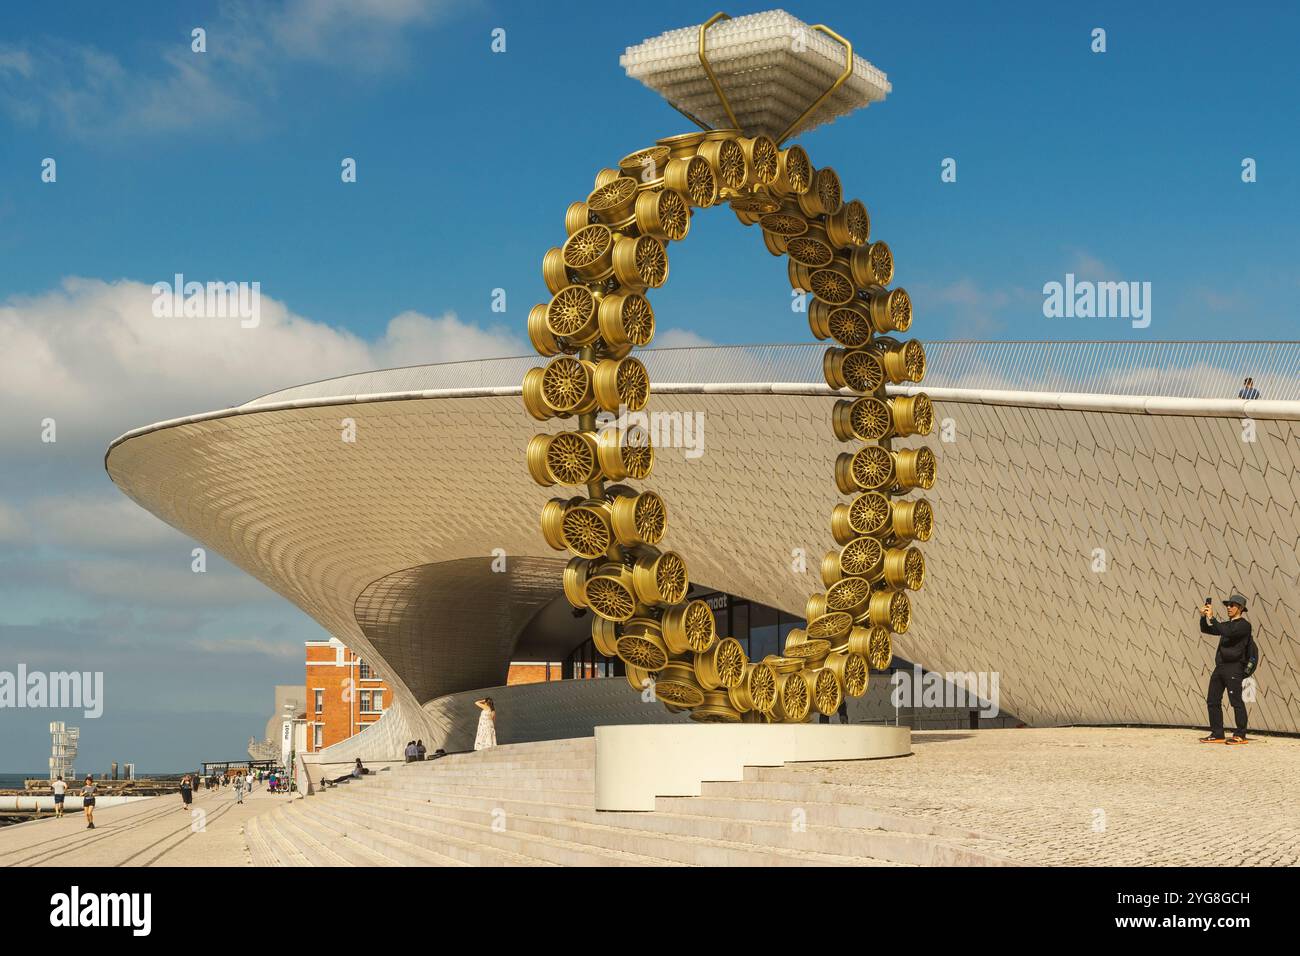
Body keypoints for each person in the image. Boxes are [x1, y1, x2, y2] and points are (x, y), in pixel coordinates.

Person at [1199, 593, 1252, 743]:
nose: (1228, 607)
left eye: (1232, 605)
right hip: (1220, 667)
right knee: (1212, 700)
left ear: (1240, 608)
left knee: (1236, 701)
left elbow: (1227, 632)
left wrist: (1213, 618)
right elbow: (1207, 630)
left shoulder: (1244, 625)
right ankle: (1217, 733)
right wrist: (1203, 617)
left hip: (1235, 667)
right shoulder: (1226, 625)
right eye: (1227, 605)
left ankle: (1240, 734)